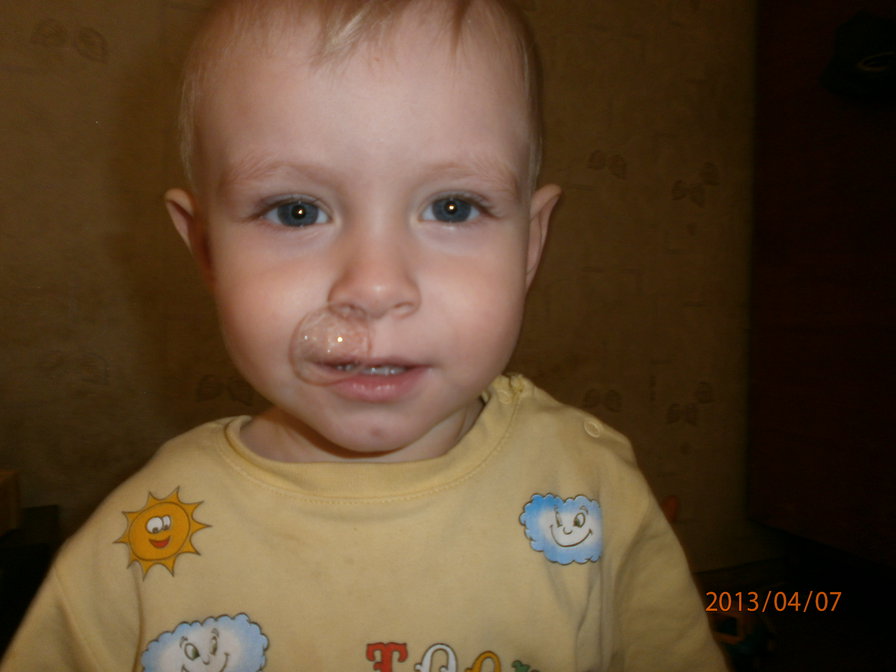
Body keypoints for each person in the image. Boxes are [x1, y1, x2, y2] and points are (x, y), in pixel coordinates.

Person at [1, 0, 727, 669]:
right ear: (207, 250)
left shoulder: (591, 492)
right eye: (296, 211)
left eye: (451, 207)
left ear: (530, 245)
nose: (375, 288)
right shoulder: (139, 544)